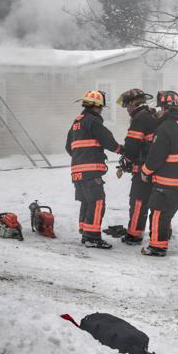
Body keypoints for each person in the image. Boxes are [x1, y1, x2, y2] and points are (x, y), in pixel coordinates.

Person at [140, 91, 178, 257]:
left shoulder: (165, 128)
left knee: (160, 213)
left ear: (167, 109)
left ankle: (157, 247)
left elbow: (155, 157)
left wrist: (145, 172)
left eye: (161, 108)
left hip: (167, 184)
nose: (159, 112)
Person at [66, 90, 122, 249]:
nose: (101, 111)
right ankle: (92, 237)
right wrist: (122, 150)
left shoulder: (76, 122)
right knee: (97, 202)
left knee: (87, 201)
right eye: (101, 108)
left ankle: (85, 230)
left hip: (77, 172)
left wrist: (81, 157)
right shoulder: (93, 121)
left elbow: (68, 147)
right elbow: (109, 141)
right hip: (90, 172)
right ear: (97, 107)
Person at [117, 88, 158, 246]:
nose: (127, 110)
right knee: (157, 203)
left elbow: (133, 146)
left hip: (143, 168)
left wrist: (126, 160)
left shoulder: (139, 118)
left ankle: (134, 235)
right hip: (157, 168)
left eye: (127, 106)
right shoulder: (151, 114)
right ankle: (163, 233)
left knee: (139, 201)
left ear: (132, 105)